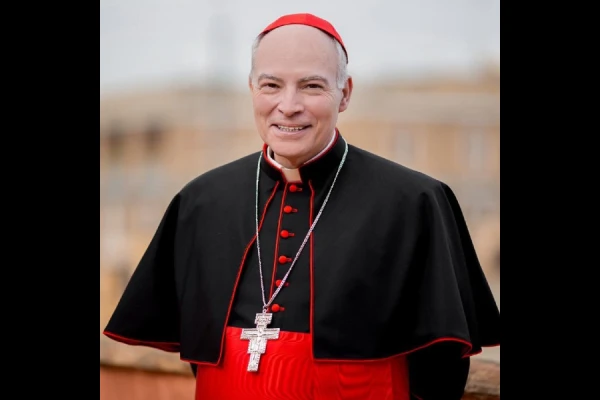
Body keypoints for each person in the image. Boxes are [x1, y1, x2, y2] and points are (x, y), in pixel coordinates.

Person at [103, 12, 500, 400]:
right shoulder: (200, 201)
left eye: (311, 86)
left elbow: (440, 373)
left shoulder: (415, 203)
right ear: (252, 88)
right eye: (271, 85)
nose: (289, 105)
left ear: (345, 93)